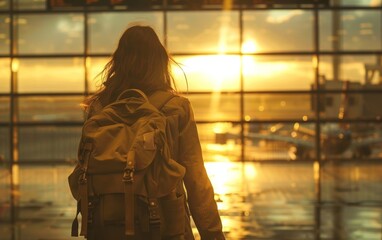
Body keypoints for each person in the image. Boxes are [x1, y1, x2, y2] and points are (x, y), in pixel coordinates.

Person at [81, 25, 225, 240]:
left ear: (118, 61)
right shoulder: (176, 107)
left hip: (106, 224)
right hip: (165, 224)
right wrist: (212, 234)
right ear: (160, 62)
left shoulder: (99, 107)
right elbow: (196, 179)